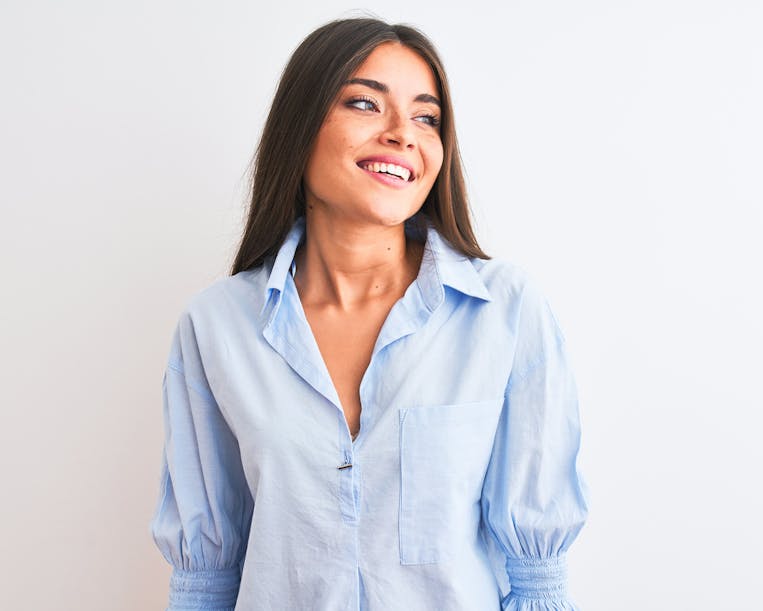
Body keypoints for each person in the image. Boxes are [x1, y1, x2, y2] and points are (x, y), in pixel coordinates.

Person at [150, 17, 589, 611]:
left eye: (427, 118)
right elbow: (207, 580)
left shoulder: (507, 314)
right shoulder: (216, 327)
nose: (404, 135)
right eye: (365, 103)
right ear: (301, 128)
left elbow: (538, 581)